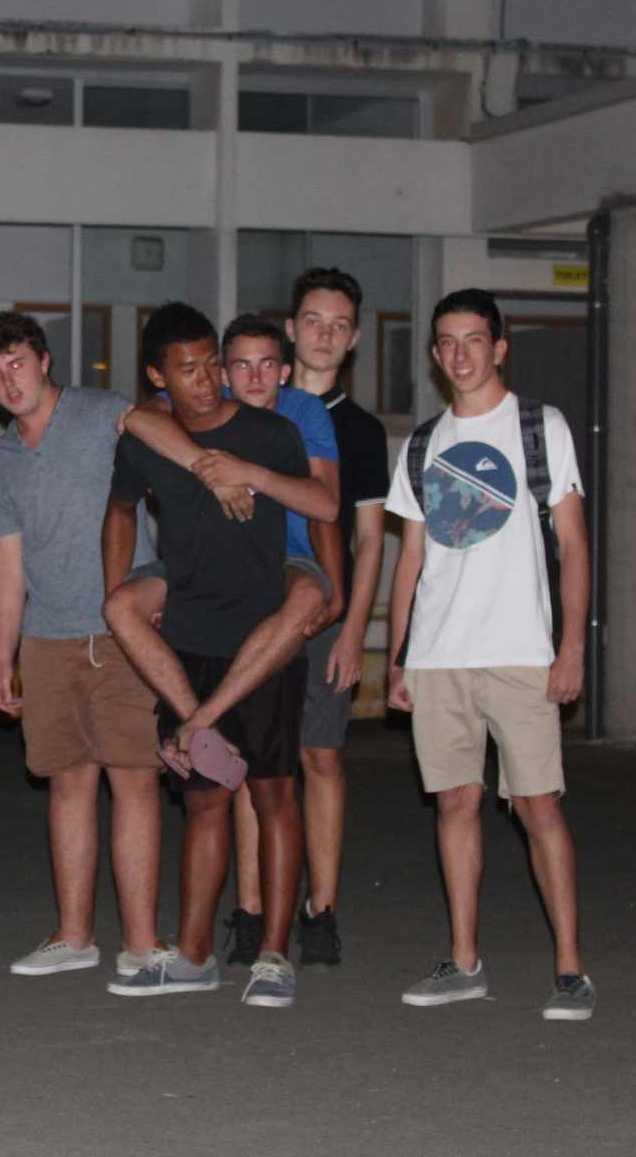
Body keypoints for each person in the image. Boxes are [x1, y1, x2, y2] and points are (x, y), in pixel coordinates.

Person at [387, 287, 594, 1022]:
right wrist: (399, 658)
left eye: (473, 338)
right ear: (435, 354)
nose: (460, 353)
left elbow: (573, 544)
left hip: (518, 651)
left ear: (499, 346)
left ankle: (569, 968)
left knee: (537, 805)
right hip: (439, 653)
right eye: (446, 341)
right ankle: (464, 960)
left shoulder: (540, 427)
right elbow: (410, 559)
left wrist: (571, 646)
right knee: (454, 803)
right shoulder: (421, 444)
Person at [102, 308, 310, 1007]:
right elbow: (120, 511)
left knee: (274, 795)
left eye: (210, 364)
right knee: (203, 801)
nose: (204, 380)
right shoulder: (145, 439)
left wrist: (325, 591)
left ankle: (274, 956)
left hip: (260, 642)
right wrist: (118, 587)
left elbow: (322, 508)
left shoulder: (268, 434)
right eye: (186, 369)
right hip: (189, 638)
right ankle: (193, 957)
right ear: (157, 376)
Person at [0, 312, 168, 987]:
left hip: (123, 630)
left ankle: (141, 944)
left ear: (44, 360)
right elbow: (6, 561)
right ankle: (75, 936)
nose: (8, 382)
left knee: (133, 779)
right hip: (47, 638)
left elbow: (172, 475)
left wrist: (165, 584)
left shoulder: (103, 413)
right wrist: (3, 654)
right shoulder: (0, 459)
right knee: (67, 783)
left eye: (16, 364)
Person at [280, 267, 393, 967]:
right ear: (290, 328)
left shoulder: (361, 430)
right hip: (252, 611)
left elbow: (371, 539)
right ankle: (255, 909)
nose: (324, 335)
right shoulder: (254, 406)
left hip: (326, 617)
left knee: (319, 756)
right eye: (313, 321)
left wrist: (355, 630)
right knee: (252, 764)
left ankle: (320, 908)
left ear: (352, 340)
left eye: (339, 325)